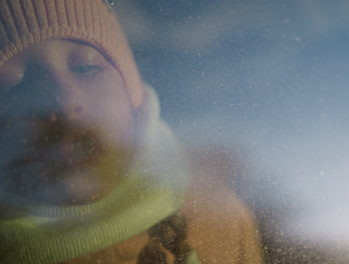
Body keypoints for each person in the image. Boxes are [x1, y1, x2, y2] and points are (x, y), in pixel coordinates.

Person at [0, 0, 263, 263]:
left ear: (133, 96)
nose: (64, 100)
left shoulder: (218, 217)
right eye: (15, 82)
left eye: (85, 67)